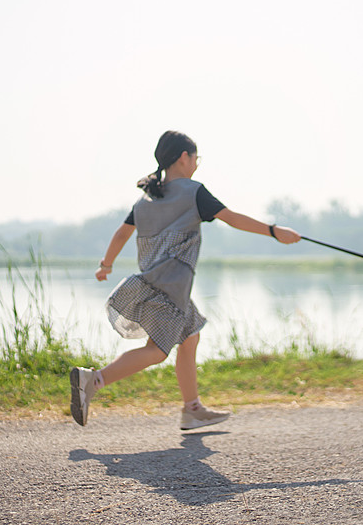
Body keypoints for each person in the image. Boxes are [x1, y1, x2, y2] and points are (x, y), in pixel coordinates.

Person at [70, 130, 300, 429]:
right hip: (168, 289)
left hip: (158, 285)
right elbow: (231, 218)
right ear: (183, 157)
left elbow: (122, 233)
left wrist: (106, 265)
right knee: (157, 351)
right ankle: (93, 380)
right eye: (195, 158)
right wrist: (273, 231)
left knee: (190, 336)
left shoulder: (146, 199)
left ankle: (192, 410)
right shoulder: (193, 192)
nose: (196, 164)